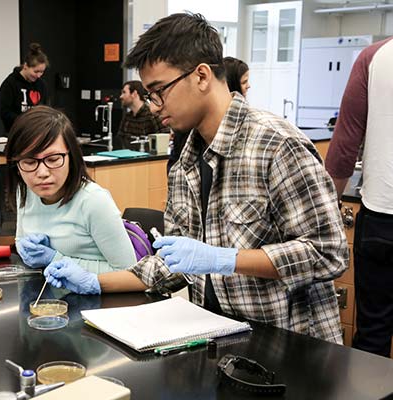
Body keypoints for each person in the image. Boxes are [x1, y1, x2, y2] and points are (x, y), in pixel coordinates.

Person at [44, 13, 348, 343]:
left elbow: (328, 253)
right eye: (148, 94)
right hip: (220, 338)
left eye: (159, 90)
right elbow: (172, 265)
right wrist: (95, 281)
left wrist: (225, 259)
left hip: (290, 347)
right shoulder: (186, 159)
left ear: (201, 76)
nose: (154, 106)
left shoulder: (276, 145)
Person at [6, 106, 136, 274]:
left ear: (71, 157)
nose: (42, 173)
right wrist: (24, 248)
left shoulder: (93, 201)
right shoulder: (25, 190)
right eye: (29, 162)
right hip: (48, 295)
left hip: (99, 298)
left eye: (53, 159)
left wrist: (54, 259)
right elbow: (20, 240)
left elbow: (129, 272)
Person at [325, 37, 393, 357]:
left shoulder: (374, 57)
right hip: (380, 211)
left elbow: (344, 147)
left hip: (381, 218)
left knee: (373, 332)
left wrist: (327, 209)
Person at [0, 43, 49, 133]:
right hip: (16, 133)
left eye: (42, 72)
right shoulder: (10, 83)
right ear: (26, 66)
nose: (39, 75)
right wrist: (25, 121)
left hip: (36, 133)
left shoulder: (41, 85)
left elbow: (45, 109)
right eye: (36, 71)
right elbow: (5, 112)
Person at [117, 80, 169, 150]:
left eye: (124, 92)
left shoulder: (152, 114)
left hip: (148, 158)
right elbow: (120, 139)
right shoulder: (127, 116)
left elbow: (165, 138)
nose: (121, 96)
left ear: (134, 94)